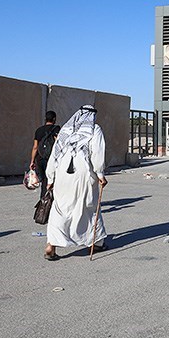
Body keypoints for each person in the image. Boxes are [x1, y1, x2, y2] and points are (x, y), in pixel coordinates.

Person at [43, 105, 108, 261]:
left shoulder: (66, 130)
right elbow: (97, 152)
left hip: (62, 175)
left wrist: (50, 177)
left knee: (60, 209)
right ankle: (96, 242)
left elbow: (55, 154)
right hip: (83, 175)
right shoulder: (94, 129)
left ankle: (51, 246)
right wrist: (100, 174)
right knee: (88, 207)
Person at [29, 111, 60, 199]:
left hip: (40, 159)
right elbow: (58, 144)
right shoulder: (56, 129)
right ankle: (48, 201)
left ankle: (43, 199)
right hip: (51, 159)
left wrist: (32, 161)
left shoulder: (39, 130)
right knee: (51, 180)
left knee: (44, 181)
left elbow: (35, 147)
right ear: (54, 119)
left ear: (45, 119)